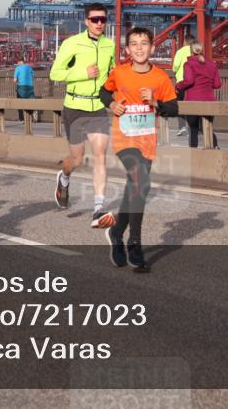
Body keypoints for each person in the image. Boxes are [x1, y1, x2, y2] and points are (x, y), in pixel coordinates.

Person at [99, 27, 179, 272]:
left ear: (153, 48)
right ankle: (135, 242)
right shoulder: (120, 72)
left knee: (136, 189)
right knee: (139, 179)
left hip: (147, 140)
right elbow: (103, 92)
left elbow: (173, 109)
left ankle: (116, 232)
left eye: (144, 43)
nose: (139, 48)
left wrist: (155, 101)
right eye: (134, 44)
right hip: (124, 139)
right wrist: (112, 104)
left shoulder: (160, 77)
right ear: (127, 50)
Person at [49, 3, 116, 228]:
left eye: (103, 20)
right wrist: (83, 73)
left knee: (100, 156)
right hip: (75, 107)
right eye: (95, 19)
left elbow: (114, 74)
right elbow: (55, 73)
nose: (99, 23)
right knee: (77, 159)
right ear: (86, 21)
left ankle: (98, 210)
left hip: (97, 107)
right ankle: (64, 177)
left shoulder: (109, 45)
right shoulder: (72, 43)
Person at [175, 41, 222, 149]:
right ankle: (215, 147)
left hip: (193, 101)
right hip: (209, 101)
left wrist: (178, 86)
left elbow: (189, 81)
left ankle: (193, 151)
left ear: (191, 51)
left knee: (194, 129)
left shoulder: (189, 64)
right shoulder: (212, 65)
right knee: (208, 127)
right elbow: (217, 84)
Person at [171, 36, 195, 137]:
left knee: (179, 105)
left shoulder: (180, 51)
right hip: (194, 83)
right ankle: (194, 127)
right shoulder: (195, 51)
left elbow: (175, 66)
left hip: (181, 82)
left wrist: (176, 72)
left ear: (185, 42)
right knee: (192, 105)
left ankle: (182, 127)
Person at [13, 57, 39, 123]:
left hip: (22, 87)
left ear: (19, 62)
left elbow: (15, 80)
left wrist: (19, 80)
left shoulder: (18, 68)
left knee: (20, 103)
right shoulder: (29, 67)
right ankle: (34, 115)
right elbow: (32, 75)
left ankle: (21, 119)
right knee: (31, 102)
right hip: (30, 87)